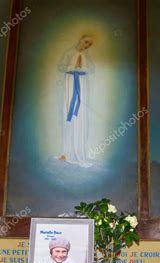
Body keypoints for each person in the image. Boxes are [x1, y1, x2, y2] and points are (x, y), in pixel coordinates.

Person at [57, 35, 95, 168]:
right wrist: (72, 68)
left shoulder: (86, 57)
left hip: (82, 85)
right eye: (86, 42)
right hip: (70, 83)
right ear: (80, 40)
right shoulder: (69, 53)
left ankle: (79, 152)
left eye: (89, 44)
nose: (86, 45)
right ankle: (66, 152)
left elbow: (91, 69)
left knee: (79, 116)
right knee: (68, 114)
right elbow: (61, 67)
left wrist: (81, 70)